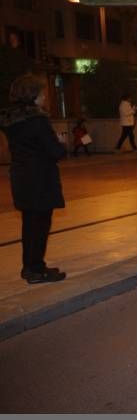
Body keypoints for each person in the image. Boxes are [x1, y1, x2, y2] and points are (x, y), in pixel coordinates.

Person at [0, 74, 67, 284]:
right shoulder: (38, 121)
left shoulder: (10, 121)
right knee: (40, 225)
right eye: (42, 92)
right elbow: (55, 152)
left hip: (21, 176)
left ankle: (29, 267)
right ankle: (37, 270)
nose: (45, 96)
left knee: (29, 224)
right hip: (40, 178)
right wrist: (62, 143)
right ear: (33, 95)